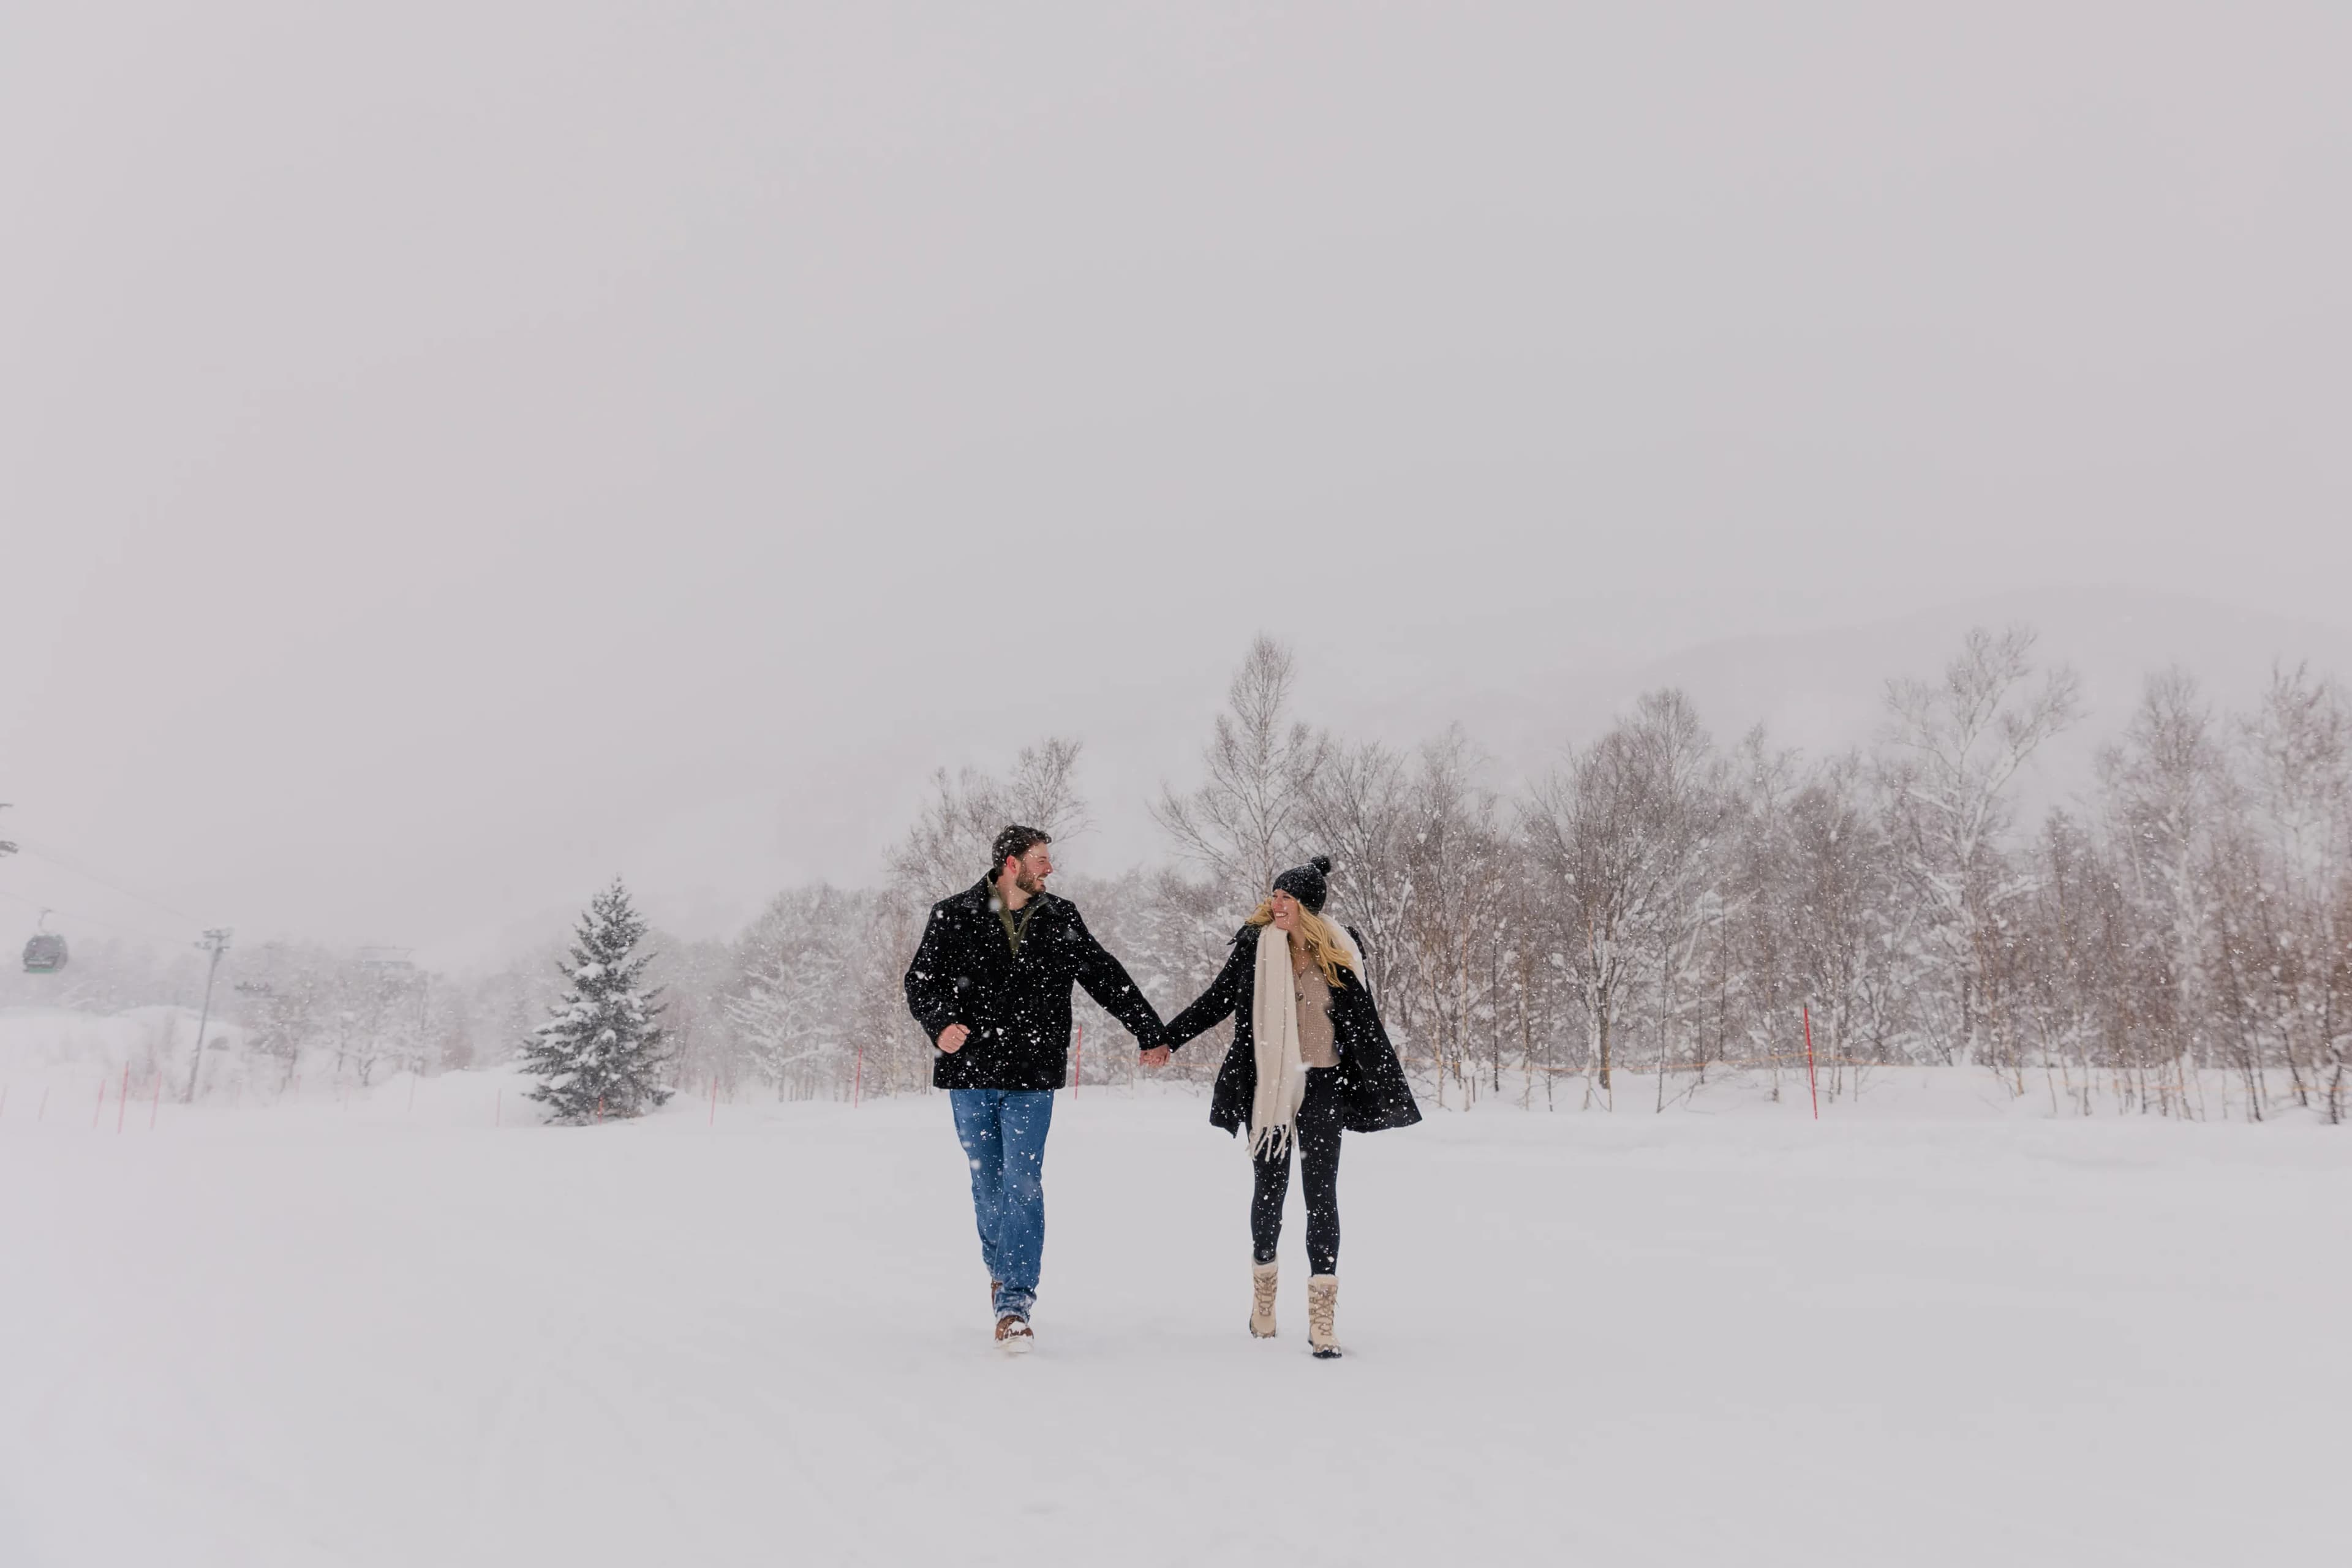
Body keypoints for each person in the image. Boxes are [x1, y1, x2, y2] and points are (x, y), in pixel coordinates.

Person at [903, 824, 1166, 1352]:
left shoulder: (1060, 918)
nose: (1050, 869)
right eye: (1041, 860)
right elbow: (920, 981)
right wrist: (940, 1024)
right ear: (1011, 864)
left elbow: (1104, 974)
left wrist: (1149, 1029)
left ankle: (1015, 1302)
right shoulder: (952, 914)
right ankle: (1001, 1266)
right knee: (987, 1186)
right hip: (971, 1074)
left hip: (1031, 1074)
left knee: (1023, 1182)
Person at [1160, 855, 1420, 1358]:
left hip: (1323, 1087)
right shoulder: (1257, 948)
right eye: (1275, 895)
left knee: (1322, 1195)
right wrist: (1167, 1039)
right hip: (1270, 1088)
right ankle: (1264, 1296)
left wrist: (1378, 1080)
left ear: (1308, 907)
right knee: (1270, 1193)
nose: (1275, 905)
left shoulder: (1341, 951)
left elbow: (1363, 1022)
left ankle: (1322, 1318)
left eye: (1286, 898)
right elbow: (1216, 1002)